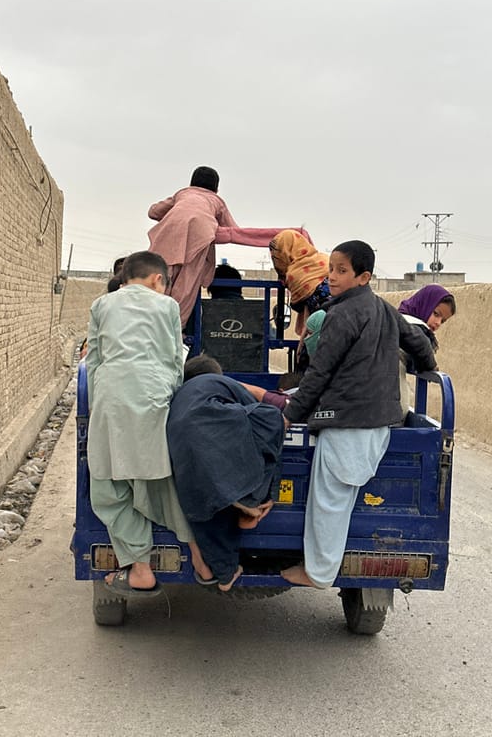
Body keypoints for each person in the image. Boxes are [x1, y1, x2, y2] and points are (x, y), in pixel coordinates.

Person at [279, 240, 437, 590]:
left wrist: (291, 414)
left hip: (347, 423)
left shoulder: (341, 314)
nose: (332, 277)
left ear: (363, 276)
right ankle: (320, 567)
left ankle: (317, 574)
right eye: (331, 268)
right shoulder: (383, 308)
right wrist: (429, 367)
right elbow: (420, 344)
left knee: (329, 503)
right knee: (339, 499)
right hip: (380, 423)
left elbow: (320, 371)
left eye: (341, 271)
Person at [86, 250, 211, 596]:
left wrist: (99, 410)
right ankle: (201, 558)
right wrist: (171, 402)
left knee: (109, 487)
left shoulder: (103, 305)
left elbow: (94, 362)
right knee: (164, 484)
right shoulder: (168, 307)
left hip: (112, 398)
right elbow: (174, 361)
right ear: (159, 279)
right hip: (155, 399)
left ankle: (140, 568)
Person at [167, 355, 285, 591]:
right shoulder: (218, 382)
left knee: (202, 508)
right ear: (216, 374)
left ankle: (225, 573)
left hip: (180, 448)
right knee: (272, 419)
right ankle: (255, 497)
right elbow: (255, 409)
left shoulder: (179, 396)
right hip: (216, 429)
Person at [147, 166, 313, 329]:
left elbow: (153, 212)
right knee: (185, 291)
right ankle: (173, 331)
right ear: (216, 189)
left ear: (191, 183)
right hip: (199, 239)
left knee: (157, 288)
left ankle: (149, 327)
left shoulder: (182, 194)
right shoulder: (216, 201)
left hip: (165, 243)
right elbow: (234, 230)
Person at [397, 284, 456, 415]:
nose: (438, 323)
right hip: (388, 378)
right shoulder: (414, 327)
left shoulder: (398, 319)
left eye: (443, 321)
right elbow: (422, 349)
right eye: (436, 314)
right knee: (400, 412)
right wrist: (432, 367)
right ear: (424, 304)